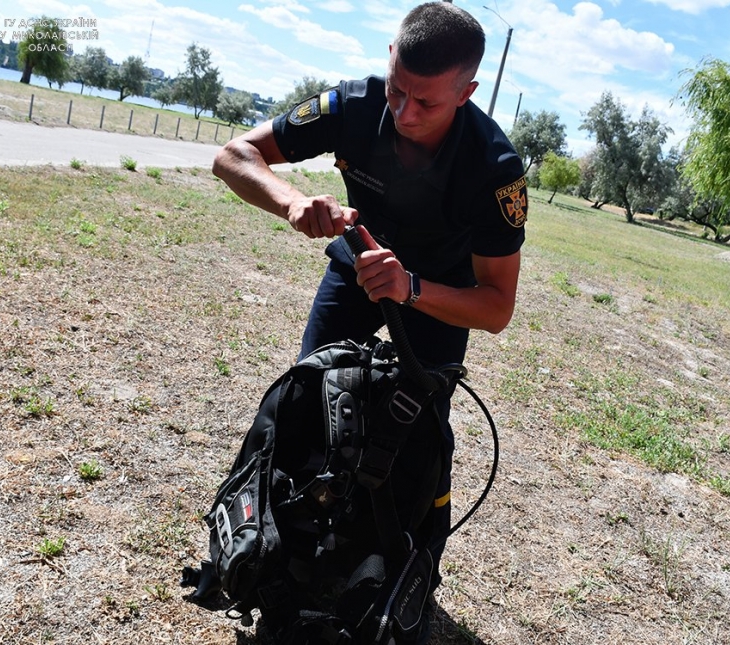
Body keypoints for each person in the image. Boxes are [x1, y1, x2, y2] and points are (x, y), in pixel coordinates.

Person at [212, 1, 526, 639]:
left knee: (420, 436)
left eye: (427, 103)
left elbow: (496, 308)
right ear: (388, 58)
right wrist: (294, 201)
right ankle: (289, 555)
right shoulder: (351, 104)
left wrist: (411, 288)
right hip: (355, 271)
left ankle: (406, 569)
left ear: (466, 93)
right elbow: (234, 155)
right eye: (398, 90)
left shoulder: (496, 170)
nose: (404, 113)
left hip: (435, 297)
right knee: (310, 403)